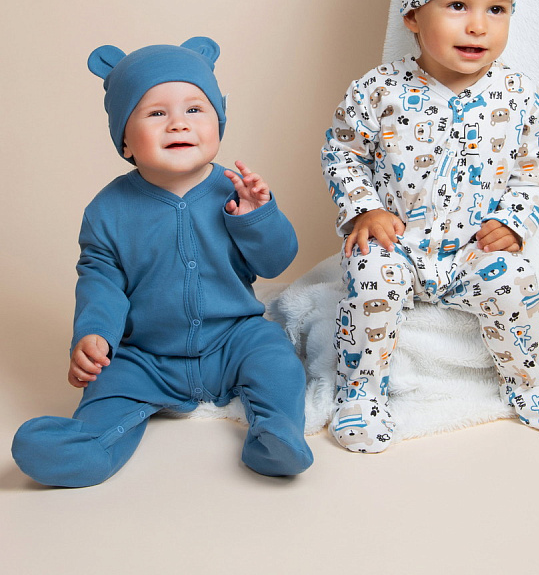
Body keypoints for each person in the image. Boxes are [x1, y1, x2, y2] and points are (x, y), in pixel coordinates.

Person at [321, 0, 539, 452]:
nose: (477, 25)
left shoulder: (521, 97)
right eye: (458, 5)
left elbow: (536, 171)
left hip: (472, 249)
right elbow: (343, 153)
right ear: (414, 16)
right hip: (399, 244)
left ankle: (529, 382)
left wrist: (513, 222)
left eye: (497, 9)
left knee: (515, 283)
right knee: (370, 276)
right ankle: (360, 393)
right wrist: (365, 209)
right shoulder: (378, 90)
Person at [12, 36, 313, 485]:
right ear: (125, 141)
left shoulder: (236, 190)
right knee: (108, 384)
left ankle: (276, 434)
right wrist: (94, 336)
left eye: (195, 109)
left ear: (219, 122)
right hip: (146, 354)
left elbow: (275, 263)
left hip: (232, 339)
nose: (178, 124)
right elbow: (100, 281)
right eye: (156, 113)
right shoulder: (108, 210)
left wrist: (257, 218)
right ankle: (89, 448)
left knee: (275, 358)